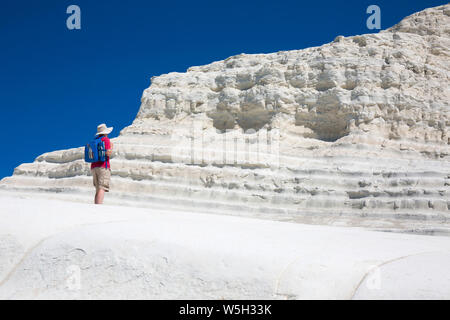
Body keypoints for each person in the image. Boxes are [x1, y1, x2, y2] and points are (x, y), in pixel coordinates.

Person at [91, 123, 114, 204]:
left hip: (93, 167)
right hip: (103, 166)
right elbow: (108, 153)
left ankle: (96, 205)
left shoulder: (95, 140)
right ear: (106, 132)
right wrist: (111, 147)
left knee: (97, 188)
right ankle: (99, 207)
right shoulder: (105, 140)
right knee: (102, 188)